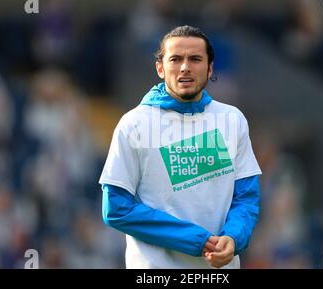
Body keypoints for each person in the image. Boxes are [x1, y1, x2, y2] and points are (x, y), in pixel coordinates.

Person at [99, 25, 262, 269]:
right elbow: (116, 208)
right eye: (176, 59)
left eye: (195, 59)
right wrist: (196, 240)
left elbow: (246, 197)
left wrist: (232, 237)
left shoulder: (232, 119)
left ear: (210, 68)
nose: (185, 67)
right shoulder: (134, 124)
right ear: (160, 68)